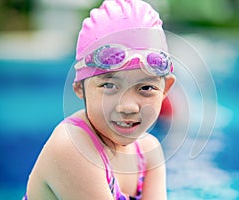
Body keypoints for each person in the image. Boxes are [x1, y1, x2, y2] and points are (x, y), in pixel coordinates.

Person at [24, 0, 175, 199]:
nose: (128, 106)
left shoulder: (148, 153)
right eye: (109, 85)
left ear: (165, 89)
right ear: (80, 88)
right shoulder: (70, 147)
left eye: (146, 87)